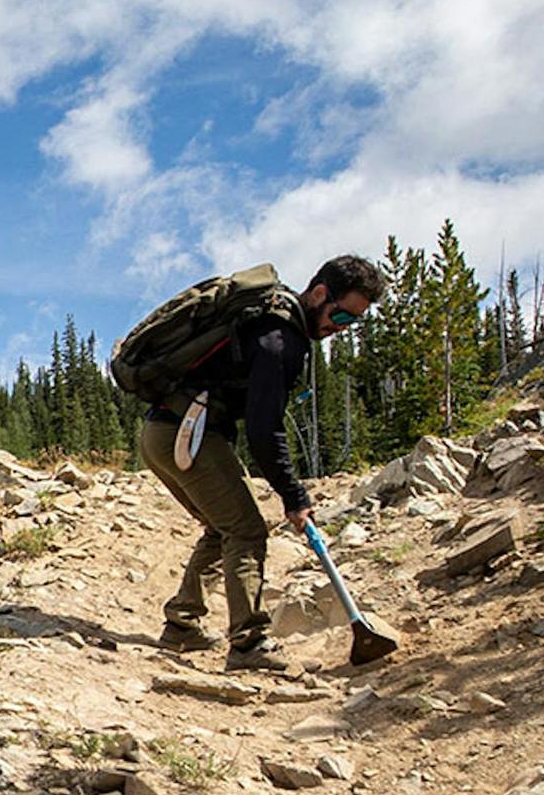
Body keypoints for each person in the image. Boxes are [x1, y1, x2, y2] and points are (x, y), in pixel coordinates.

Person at [139, 253, 384, 672]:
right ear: (320, 293)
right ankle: (249, 642)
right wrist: (294, 496)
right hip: (186, 433)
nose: (337, 331)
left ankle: (182, 624)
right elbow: (264, 430)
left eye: (351, 325)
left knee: (223, 525)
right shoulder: (280, 338)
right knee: (247, 530)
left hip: (165, 431)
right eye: (340, 318)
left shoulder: (271, 319)